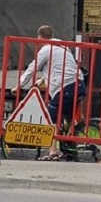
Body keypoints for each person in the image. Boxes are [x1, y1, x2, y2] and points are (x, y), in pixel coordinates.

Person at [19, 25, 84, 159]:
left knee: (51, 117)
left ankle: (53, 151)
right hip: (79, 84)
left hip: (66, 86)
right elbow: (60, 66)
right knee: (68, 116)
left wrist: (19, 85)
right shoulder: (62, 46)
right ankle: (70, 146)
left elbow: (33, 67)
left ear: (39, 37)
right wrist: (42, 80)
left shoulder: (46, 49)